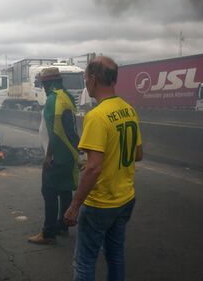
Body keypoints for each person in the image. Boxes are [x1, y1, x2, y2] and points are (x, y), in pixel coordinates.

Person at [64, 57, 143, 281]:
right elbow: (137, 154)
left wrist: (74, 206)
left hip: (101, 202)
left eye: (85, 78)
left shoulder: (96, 116)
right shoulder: (128, 110)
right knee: (115, 255)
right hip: (126, 197)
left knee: (84, 262)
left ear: (93, 79)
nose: (85, 83)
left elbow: (94, 169)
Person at [28, 67, 80, 245]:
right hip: (68, 154)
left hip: (57, 154)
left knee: (49, 191)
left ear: (47, 83)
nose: (43, 87)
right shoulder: (66, 97)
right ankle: (62, 225)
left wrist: (48, 155)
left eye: (43, 83)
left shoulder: (53, 100)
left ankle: (48, 232)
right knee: (65, 190)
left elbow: (54, 132)